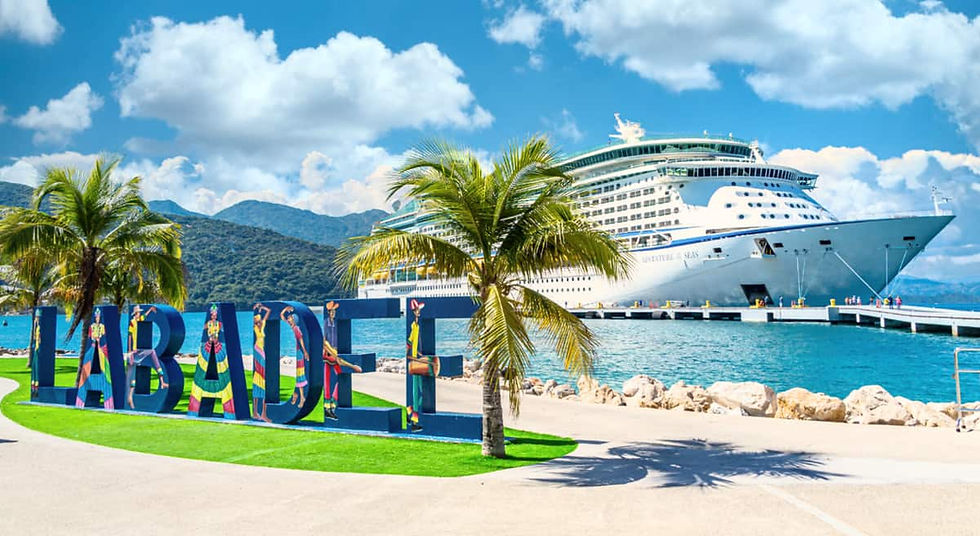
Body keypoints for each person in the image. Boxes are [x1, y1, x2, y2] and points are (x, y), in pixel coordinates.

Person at [322, 301, 361, 420]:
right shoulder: (326, 324)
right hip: (329, 356)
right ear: (329, 312)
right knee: (327, 382)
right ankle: (328, 408)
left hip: (334, 354)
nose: (334, 313)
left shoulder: (336, 324)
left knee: (340, 379)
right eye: (332, 311)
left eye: (335, 311)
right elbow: (325, 341)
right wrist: (332, 350)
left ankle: (332, 404)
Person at [125, 305, 167, 409]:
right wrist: (130, 350)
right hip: (134, 352)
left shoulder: (139, 320)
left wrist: (150, 310)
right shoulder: (132, 323)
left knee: (133, 375)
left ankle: (162, 382)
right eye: (138, 312)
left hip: (138, 350)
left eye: (139, 312)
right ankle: (130, 398)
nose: (139, 314)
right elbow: (130, 337)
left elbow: (144, 316)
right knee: (132, 376)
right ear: (135, 314)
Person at [406, 299, 436, 432]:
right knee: (418, 393)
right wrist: (412, 355)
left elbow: (412, 343)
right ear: (414, 311)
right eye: (417, 310)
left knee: (419, 393)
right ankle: (414, 420)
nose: (419, 312)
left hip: (417, 360)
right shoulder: (414, 325)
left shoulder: (416, 325)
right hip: (415, 363)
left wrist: (416, 352)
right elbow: (409, 341)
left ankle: (409, 411)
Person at [282, 306, 308, 407]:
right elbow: (281, 316)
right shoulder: (290, 327)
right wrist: (285, 309)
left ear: (294, 320)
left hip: (298, 354)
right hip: (295, 354)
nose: (288, 320)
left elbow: (301, 340)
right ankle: (295, 394)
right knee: (296, 377)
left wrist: (305, 352)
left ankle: (302, 397)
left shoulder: (296, 329)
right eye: (288, 319)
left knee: (299, 377)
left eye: (291, 318)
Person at [251, 304, 271, 422]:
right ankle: (257, 412)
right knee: (259, 379)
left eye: (259, 320)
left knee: (261, 379)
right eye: (257, 321)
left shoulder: (262, 326)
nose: (259, 322)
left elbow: (269, 311)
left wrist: (261, 307)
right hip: (258, 351)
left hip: (261, 351)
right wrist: (258, 310)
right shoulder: (255, 328)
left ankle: (261, 413)